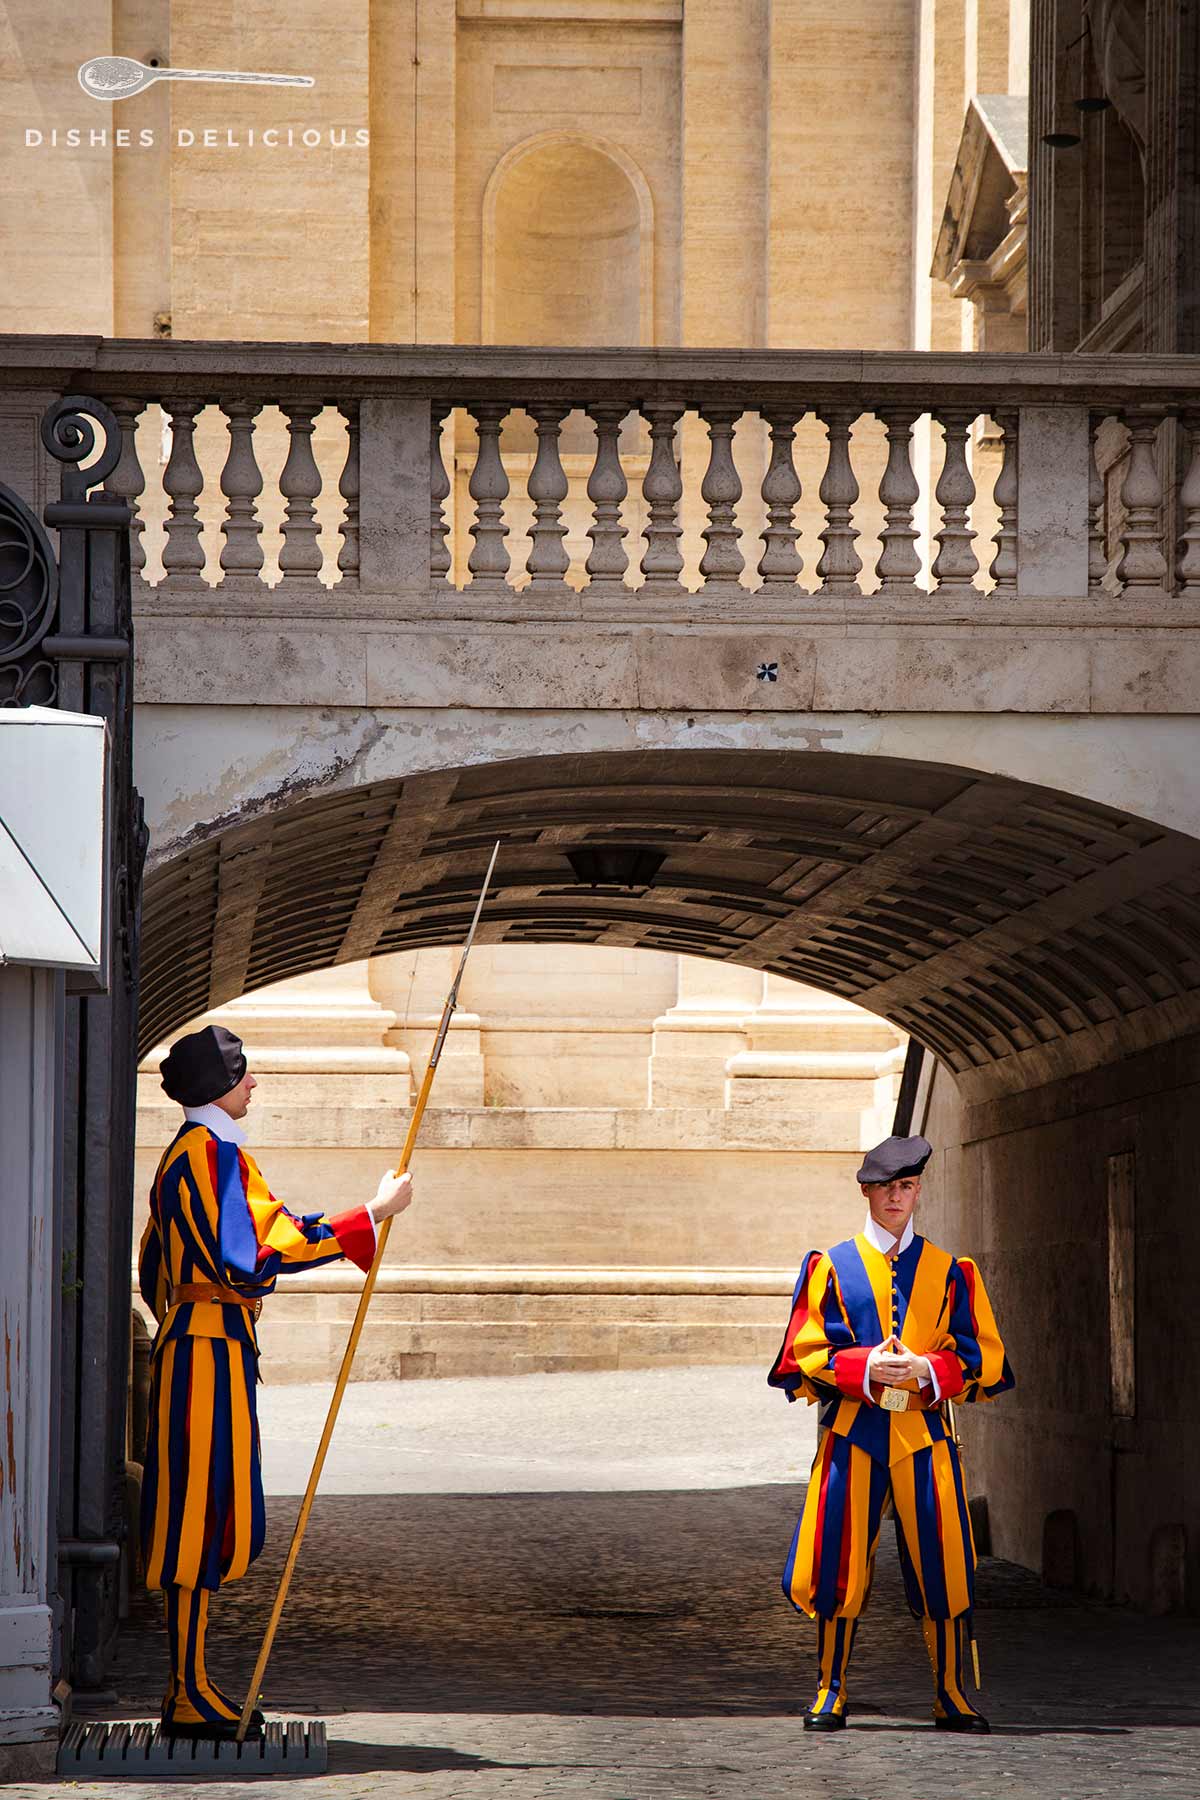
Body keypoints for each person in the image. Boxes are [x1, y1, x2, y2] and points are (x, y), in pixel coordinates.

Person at [137, 1022, 414, 1741]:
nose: (253, 1082)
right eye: (244, 1072)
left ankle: (190, 1683)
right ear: (217, 1086)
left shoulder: (195, 1154)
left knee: (204, 1510)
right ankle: (186, 1692)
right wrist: (371, 1215)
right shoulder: (206, 1157)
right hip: (206, 1351)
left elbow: (158, 1267)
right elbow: (261, 1249)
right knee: (196, 1518)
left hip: (206, 1342)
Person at [768, 1133, 1013, 1733]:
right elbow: (803, 1353)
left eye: (906, 1186)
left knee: (945, 1561)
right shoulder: (831, 1264)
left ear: (918, 1191)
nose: (896, 1197)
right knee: (835, 1561)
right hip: (853, 1431)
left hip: (925, 1436)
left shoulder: (952, 1270)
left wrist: (928, 1368)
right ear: (866, 1192)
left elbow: (983, 1357)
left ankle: (951, 1691)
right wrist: (866, 1366)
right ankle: (830, 1688)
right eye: (885, 1187)